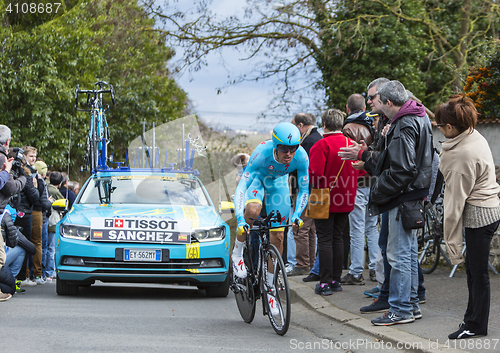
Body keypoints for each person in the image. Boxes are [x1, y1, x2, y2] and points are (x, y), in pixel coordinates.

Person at [366, 80, 433, 326]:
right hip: (413, 194)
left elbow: (403, 169)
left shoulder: (404, 123)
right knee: (406, 253)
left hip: (402, 197)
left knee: (399, 256)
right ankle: (411, 305)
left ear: (390, 102)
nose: (379, 109)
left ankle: (402, 309)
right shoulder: (419, 116)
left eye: (380, 103)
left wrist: (378, 190)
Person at [435, 95, 500, 339]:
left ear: (450, 127)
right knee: (475, 271)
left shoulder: (459, 157)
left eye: (441, 127)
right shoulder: (473, 134)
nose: (440, 131)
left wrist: (452, 247)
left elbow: (453, 207)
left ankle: (476, 325)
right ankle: (471, 319)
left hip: (479, 216)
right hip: (492, 208)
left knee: (477, 273)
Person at [232, 122, 309, 315]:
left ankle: (270, 288)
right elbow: (242, 187)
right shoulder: (261, 153)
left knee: (278, 237)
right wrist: (241, 219)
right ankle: (237, 253)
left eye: (293, 148)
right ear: (275, 146)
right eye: (284, 149)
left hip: (278, 184)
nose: (289, 153)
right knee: (253, 210)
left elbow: (304, 189)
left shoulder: (301, 156)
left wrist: (298, 215)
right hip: (258, 179)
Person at [309, 109, 359, 296]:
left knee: (324, 239)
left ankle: (325, 283)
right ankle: (336, 280)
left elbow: (314, 174)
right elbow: (361, 172)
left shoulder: (321, 145)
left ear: (324, 125)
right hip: (346, 197)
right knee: (338, 237)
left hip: (323, 197)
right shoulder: (351, 144)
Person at [340, 93, 379, 285]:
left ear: (347, 108)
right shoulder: (374, 125)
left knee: (356, 229)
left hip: (357, 182)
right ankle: (375, 269)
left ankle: (355, 271)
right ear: (364, 107)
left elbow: (348, 158)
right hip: (373, 181)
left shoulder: (347, 128)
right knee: (372, 227)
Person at [287, 113, 322, 277]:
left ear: (301, 125)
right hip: (319, 191)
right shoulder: (319, 137)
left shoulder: (307, 142)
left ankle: (302, 264)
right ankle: (310, 263)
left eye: (294, 126)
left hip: (305, 190)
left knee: (300, 228)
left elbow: (298, 167)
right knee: (311, 230)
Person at [46, 171, 64, 280]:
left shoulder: (46, 188)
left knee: (46, 247)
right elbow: (63, 204)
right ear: (60, 182)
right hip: (53, 222)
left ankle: (47, 271)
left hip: (46, 221)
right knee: (51, 248)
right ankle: (50, 271)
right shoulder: (55, 191)